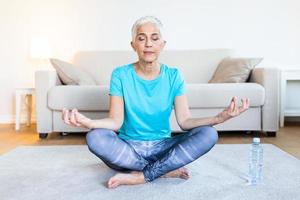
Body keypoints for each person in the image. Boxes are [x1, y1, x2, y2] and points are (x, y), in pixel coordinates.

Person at [62, 16, 250, 189]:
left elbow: (185, 121)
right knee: (95, 137)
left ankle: (143, 175)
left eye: (154, 38)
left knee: (209, 134)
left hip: (163, 147)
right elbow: (115, 122)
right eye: (142, 38)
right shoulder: (120, 75)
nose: (148, 44)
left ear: (162, 44)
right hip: (128, 149)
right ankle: (163, 170)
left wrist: (219, 118)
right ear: (133, 44)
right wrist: (89, 123)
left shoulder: (174, 76)